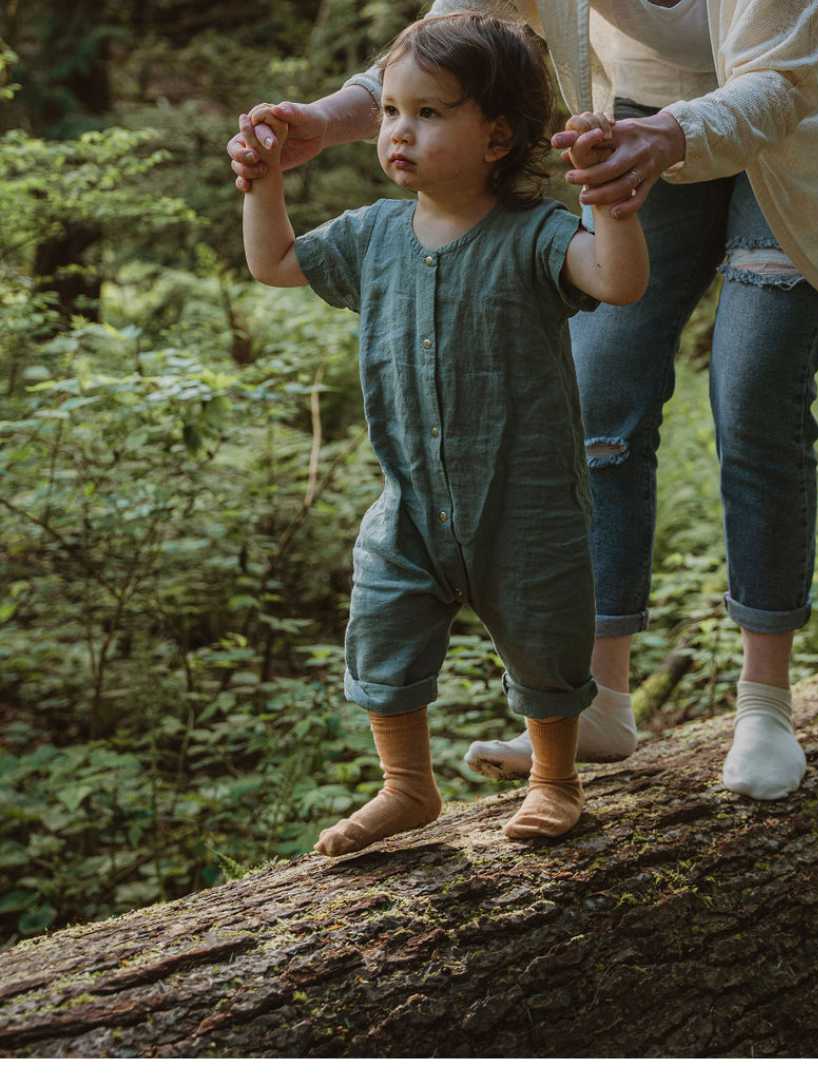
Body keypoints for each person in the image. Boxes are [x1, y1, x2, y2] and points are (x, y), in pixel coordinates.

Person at [230, 1, 818, 804]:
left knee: (755, 394)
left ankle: (764, 704)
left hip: (799, 112)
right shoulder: (384, 231)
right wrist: (320, 120)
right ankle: (602, 702)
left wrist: (669, 138)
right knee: (602, 398)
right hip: (645, 106)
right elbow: (455, 26)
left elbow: (775, 82)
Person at [241, 11, 648, 856]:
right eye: (391, 112)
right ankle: (406, 786)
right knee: (383, 626)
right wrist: (265, 182)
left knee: (546, 635)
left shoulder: (533, 235)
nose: (398, 132)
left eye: (429, 113)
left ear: (497, 136)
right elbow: (275, 262)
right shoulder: (373, 235)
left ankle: (556, 781)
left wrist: (609, 200)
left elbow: (618, 282)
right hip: (411, 502)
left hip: (525, 498)